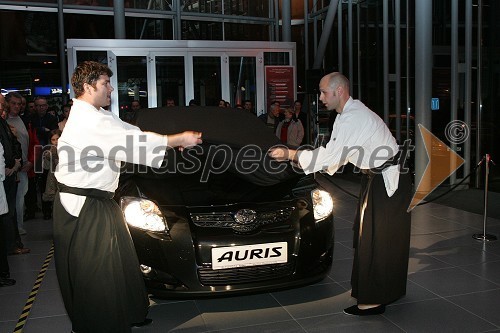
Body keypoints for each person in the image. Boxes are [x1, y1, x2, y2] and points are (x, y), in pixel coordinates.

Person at [53, 61, 202, 333]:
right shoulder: (87, 120)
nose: (111, 88)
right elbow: (131, 145)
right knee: (96, 269)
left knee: (119, 260)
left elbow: (133, 133)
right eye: (105, 83)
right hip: (83, 204)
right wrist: (177, 139)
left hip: (99, 200)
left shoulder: (100, 114)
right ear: (87, 86)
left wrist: (168, 143)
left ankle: (127, 312)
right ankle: (99, 325)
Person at [269, 72, 412, 316]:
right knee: (374, 237)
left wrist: (290, 154)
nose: (321, 97)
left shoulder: (352, 117)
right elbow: (337, 155)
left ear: (339, 91)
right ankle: (380, 292)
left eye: (324, 92)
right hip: (380, 178)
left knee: (377, 239)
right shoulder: (349, 115)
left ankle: (374, 300)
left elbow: (330, 157)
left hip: (388, 181)